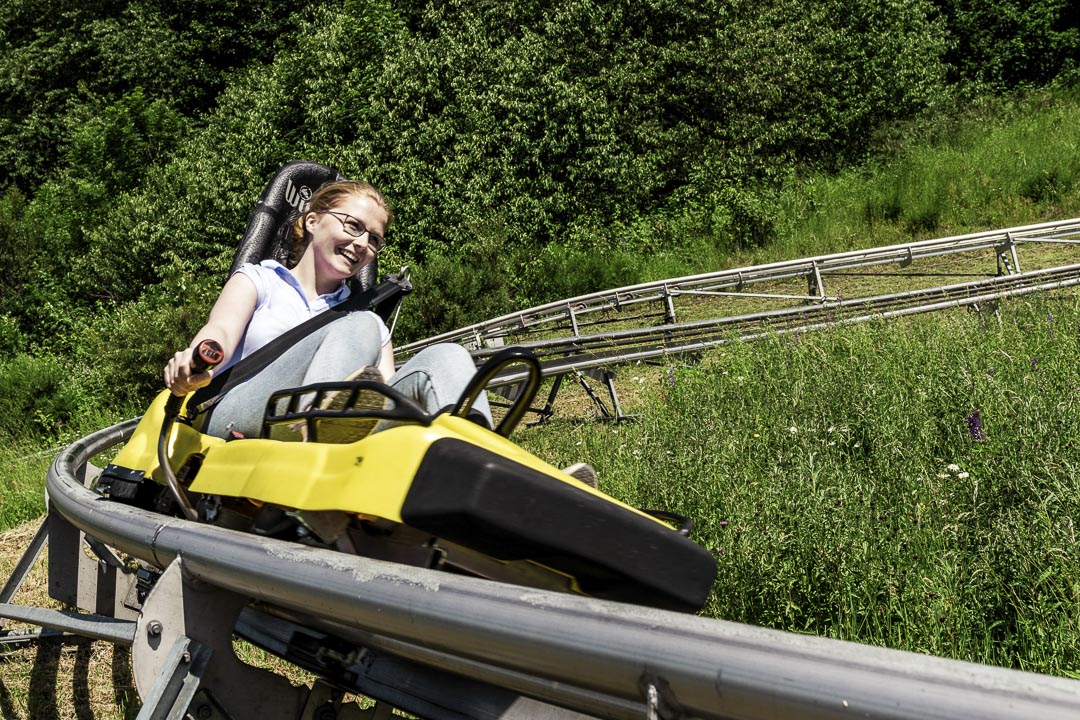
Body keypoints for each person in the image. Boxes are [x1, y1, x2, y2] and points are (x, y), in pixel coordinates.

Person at [163, 179, 492, 443]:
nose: (363, 244)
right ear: (313, 221)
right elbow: (219, 332)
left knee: (448, 356)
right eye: (353, 226)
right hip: (231, 414)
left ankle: (476, 456)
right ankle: (318, 435)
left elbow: (386, 396)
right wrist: (193, 362)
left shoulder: (372, 324)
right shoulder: (260, 280)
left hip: (346, 431)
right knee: (360, 324)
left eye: (374, 239)